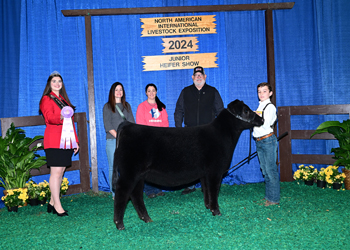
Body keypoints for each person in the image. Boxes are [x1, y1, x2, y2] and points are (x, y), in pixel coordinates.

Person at [174, 66, 224, 195]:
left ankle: (206, 184)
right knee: (190, 160)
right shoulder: (185, 91)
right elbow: (179, 111)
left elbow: (221, 112)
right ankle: (190, 185)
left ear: (205, 76)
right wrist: (179, 130)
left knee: (208, 160)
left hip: (208, 133)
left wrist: (218, 130)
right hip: (190, 132)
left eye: (201, 75)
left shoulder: (213, 91)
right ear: (192, 77)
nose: (198, 77)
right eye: (196, 75)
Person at [39, 71, 79, 217]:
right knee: (56, 173)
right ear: (49, 84)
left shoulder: (64, 100)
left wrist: (76, 141)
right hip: (54, 139)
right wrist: (61, 115)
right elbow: (49, 118)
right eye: (54, 81)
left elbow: (71, 123)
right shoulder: (46, 99)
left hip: (66, 141)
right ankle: (58, 206)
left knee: (61, 171)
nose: (57, 84)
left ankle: (51, 201)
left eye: (59, 81)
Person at [103, 82, 135, 198]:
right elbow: (108, 126)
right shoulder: (107, 106)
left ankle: (127, 190)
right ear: (112, 92)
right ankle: (114, 193)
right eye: (116, 89)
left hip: (127, 142)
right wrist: (121, 137)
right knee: (113, 167)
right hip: (112, 141)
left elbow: (132, 123)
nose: (119, 92)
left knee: (127, 167)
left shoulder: (127, 106)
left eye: (121, 89)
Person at [136, 83, 168, 198]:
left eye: (153, 90)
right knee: (147, 166)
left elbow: (165, 124)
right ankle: (149, 190)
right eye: (149, 91)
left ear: (156, 92)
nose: (151, 93)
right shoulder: (141, 107)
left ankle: (158, 188)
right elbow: (141, 124)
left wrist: (161, 138)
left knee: (158, 166)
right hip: (147, 141)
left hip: (159, 141)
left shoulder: (161, 107)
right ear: (146, 93)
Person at [252, 82, 280, 206]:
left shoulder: (270, 107)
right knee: (265, 170)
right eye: (259, 91)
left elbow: (266, 123)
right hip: (260, 141)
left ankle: (273, 199)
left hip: (268, 141)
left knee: (271, 170)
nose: (261, 94)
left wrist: (254, 117)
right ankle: (269, 196)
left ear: (270, 93)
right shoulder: (260, 106)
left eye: (264, 91)